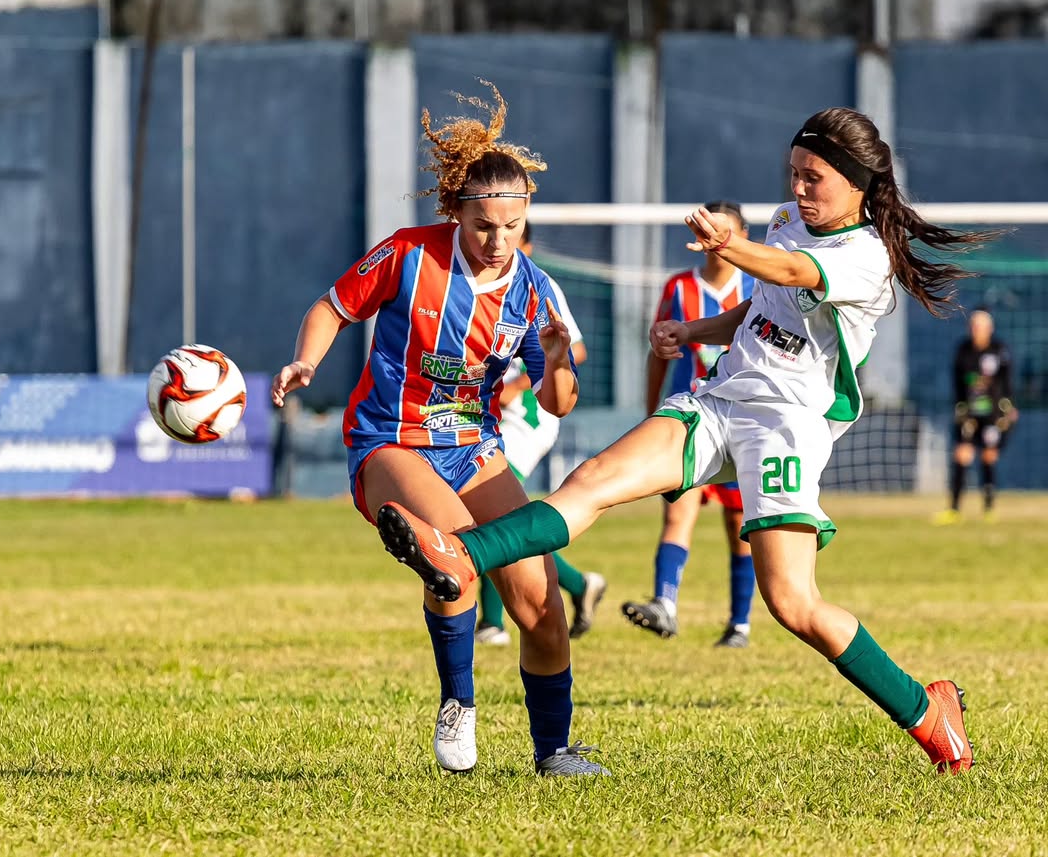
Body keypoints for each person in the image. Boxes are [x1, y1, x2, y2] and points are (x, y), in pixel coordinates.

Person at [377, 106, 995, 774]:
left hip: (786, 426)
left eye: (813, 177)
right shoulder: (791, 222)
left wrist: (728, 245)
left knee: (792, 603)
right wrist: (694, 334)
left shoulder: (866, 256)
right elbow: (765, 309)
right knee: (591, 482)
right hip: (720, 399)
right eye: (793, 173)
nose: (799, 190)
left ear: (857, 184)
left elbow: (791, 275)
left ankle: (929, 711)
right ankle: (461, 554)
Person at [272, 82, 608, 777]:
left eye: (512, 227)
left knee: (542, 603)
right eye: (485, 225)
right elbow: (332, 307)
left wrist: (554, 360)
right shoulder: (407, 255)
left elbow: (561, 400)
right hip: (389, 443)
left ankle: (555, 751)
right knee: (455, 557)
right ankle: (459, 701)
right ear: (457, 210)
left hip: (473, 448)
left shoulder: (538, 292)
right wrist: (306, 360)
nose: (498, 241)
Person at [621, 200, 757, 647]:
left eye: (728, 231)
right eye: (710, 230)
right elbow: (658, 349)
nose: (719, 241)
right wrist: (649, 411)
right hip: (691, 417)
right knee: (678, 512)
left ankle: (739, 624)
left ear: (743, 236)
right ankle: (665, 604)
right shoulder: (679, 287)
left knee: (740, 525)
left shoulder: (758, 285)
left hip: (741, 420)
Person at [477, 225, 607, 646]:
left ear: (526, 245)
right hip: (490, 413)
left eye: (511, 233)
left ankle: (492, 622)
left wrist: (520, 377)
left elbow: (577, 349)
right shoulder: (471, 279)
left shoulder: (537, 282)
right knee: (493, 513)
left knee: (490, 507)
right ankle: (577, 584)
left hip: (529, 415)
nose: (496, 243)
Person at [934, 307, 1017, 525]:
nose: (976, 330)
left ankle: (988, 508)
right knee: (962, 456)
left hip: (992, 415)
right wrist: (959, 408)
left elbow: (1007, 383)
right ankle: (953, 509)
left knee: (988, 457)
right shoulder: (963, 350)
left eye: (980, 326)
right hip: (969, 413)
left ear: (990, 328)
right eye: (973, 325)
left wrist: (1007, 408)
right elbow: (957, 383)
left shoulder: (999, 350)